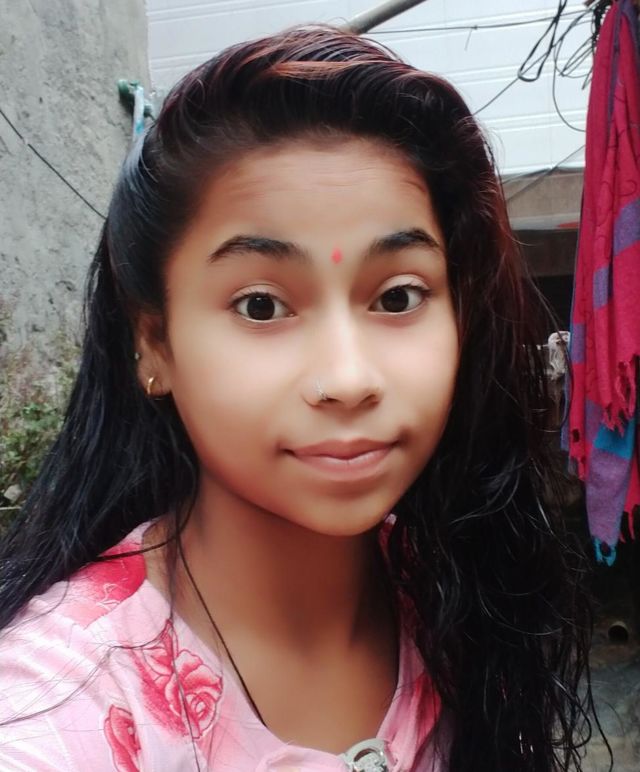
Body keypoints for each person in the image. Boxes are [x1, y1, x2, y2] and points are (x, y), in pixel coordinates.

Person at [0, 25, 598, 772]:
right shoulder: (54, 712)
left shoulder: (461, 586)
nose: (348, 379)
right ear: (153, 343)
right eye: (261, 306)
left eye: (398, 296)